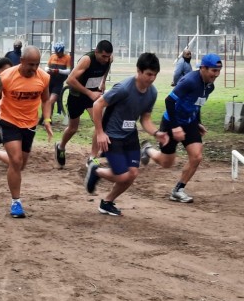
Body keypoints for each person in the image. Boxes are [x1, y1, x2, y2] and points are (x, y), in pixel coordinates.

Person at [84, 53, 168, 216]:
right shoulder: (123, 88)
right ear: (139, 71)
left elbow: (145, 119)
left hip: (130, 135)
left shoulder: (152, 93)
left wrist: (157, 133)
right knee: (123, 176)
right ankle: (95, 171)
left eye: (154, 75)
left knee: (132, 174)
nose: (151, 79)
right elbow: (97, 104)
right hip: (112, 135)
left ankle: (107, 202)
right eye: (148, 74)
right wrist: (100, 133)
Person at [0, 46, 53, 218]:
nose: (34, 69)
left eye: (37, 64)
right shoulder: (6, 77)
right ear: (22, 61)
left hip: (29, 124)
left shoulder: (44, 77)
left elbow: (46, 99)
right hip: (8, 121)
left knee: (21, 164)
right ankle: (16, 202)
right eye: (30, 64)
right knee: (16, 161)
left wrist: (47, 119)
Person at [140, 53, 222, 203]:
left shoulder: (209, 87)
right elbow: (169, 101)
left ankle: (178, 190)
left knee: (197, 156)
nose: (216, 75)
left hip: (189, 123)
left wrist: (198, 122)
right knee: (166, 162)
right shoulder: (189, 81)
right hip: (172, 122)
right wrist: (176, 126)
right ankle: (147, 150)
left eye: (218, 71)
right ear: (203, 68)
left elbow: (197, 105)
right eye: (213, 71)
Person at [54, 40, 113, 168]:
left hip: (93, 96)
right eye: (103, 56)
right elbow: (70, 80)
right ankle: (61, 146)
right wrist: (89, 93)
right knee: (73, 128)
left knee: (99, 125)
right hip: (77, 96)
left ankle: (92, 158)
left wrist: (103, 81)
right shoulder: (87, 60)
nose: (105, 59)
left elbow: (107, 67)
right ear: (96, 52)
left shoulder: (109, 59)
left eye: (108, 56)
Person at [38, 42, 71, 124]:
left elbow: (68, 71)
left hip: (58, 83)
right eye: (56, 52)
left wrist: (58, 71)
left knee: (51, 101)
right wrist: (48, 70)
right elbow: (46, 66)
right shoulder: (52, 56)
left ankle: (46, 118)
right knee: (46, 100)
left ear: (62, 51)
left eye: (59, 52)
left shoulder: (67, 58)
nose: (57, 54)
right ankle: (47, 118)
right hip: (49, 81)